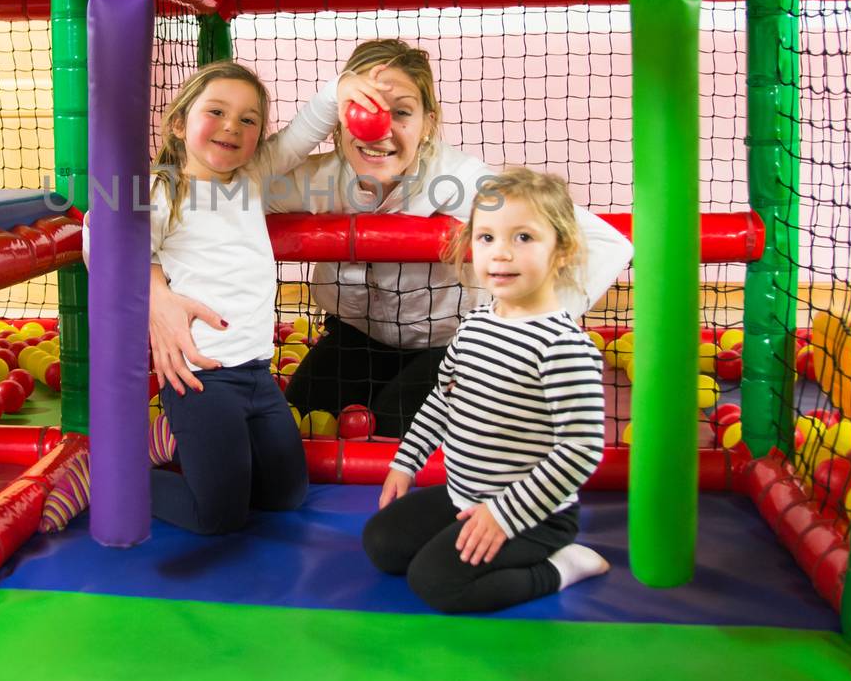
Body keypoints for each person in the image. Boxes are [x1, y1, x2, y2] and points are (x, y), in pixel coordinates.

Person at [267, 38, 632, 437]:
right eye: (362, 110)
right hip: (357, 337)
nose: (379, 130)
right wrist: (327, 97)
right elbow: (241, 186)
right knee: (295, 423)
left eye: (402, 112)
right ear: (340, 119)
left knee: (396, 428)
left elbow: (607, 242)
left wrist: (517, 337)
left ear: (428, 122)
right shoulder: (319, 180)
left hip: (448, 345)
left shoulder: (461, 181)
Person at [146, 59, 387, 534]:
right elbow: (102, 241)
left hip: (256, 375)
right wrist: (159, 295)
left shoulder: (252, 179)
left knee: (284, 495)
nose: (231, 126)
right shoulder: (163, 190)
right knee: (218, 516)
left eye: (248, 119)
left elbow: (304, 131)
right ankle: (113, 475)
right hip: (200, 378)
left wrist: (343, 87)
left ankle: (183, 446)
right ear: (179, 123)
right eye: (215, 111)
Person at [362, 168, 611, 613]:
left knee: (436, 582)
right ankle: (484, 532)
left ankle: (561, 566)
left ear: (563, 250)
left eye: (523, 238)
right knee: (382, 544)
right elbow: (442, 400)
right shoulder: (475, 325)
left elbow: (581, 448)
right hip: (465, 495)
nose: (501, 254)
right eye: (487, 238)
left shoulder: (563, 346)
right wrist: (405, 463)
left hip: (535, 515)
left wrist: (504, 515)